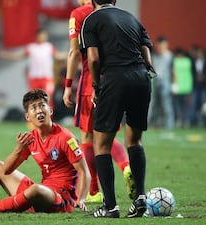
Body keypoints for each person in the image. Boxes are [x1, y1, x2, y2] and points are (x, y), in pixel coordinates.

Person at [0, 89, 90, 213]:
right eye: (34, 108)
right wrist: (19, 150)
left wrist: (81, 199)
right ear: (28, 116)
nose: (39, 111)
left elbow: (84, 171)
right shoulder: (30, 139)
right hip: (41, 195)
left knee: (35, 189)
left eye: (42, 106)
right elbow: (6, 170)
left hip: (61, 199)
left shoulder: (65, 137)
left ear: (50, 110)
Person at [81, 0, 154, 218]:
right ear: (115, 1)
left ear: (93, 1)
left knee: (101, 143)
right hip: (141, 77)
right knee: (135, 140)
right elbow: (147, 55)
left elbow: (93, 59)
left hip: (114, 78)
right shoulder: (131, 18)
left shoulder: (91, 20)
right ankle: (140, 197)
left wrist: (96, 85)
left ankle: (110, 206)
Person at [62, 0, 135, 204]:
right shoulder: (118, 14)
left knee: (88, 137)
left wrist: (68, 84)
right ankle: (126, 166)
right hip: (115, 81)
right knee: (108, 135)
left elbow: (74, 52)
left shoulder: (79, 14)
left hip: (89, 84)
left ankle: (93, 190)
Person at [0, 28, 67, 106]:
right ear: (37, 36)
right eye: (41, 35)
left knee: (47, 97)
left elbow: (58, 55)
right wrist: (7, 55)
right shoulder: (31, 48)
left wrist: (71, 54)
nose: (43, 37)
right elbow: (19, 56)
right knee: (33, 98)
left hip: (46, 77)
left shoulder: (49, 47)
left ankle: (48, 116)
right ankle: (34, 116)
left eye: (44, 36)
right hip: (34, 77)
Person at [149, 36, 174, 130]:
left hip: (165, 83)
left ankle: (169, 124)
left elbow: (173, 70)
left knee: (166, 104)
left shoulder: (169, 56)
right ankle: (155, 123)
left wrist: (174, 84)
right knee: (154, 104)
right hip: (155, 82)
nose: (160, 47)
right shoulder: (154, 56)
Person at [172, 48, 194, 128]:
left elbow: (173, 74)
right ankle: (183, 120)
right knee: (183, 105)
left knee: (181, 105)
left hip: (182, 87)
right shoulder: (188, 61)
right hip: (184, 86)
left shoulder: (176, 61)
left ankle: (182, 120)